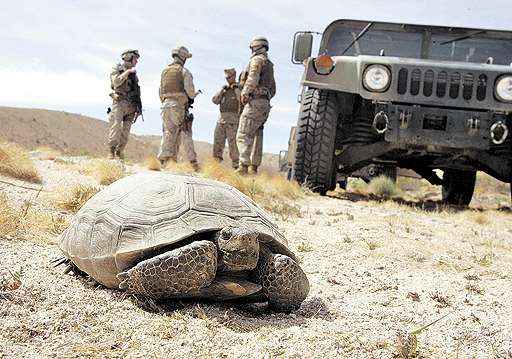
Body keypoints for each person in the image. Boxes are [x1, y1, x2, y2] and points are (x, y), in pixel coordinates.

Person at [236, 37, 276, 175]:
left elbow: (252, 78)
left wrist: (246, 93)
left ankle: (243, 166)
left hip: (255, 102)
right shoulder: (270, 64)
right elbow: (274, 88)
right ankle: (254, 168)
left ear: (255, 47)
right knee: (258, 135)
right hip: (265, 104)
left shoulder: (257, 60)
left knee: (244, 133)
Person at [157, 46, 201, 170]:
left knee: (168, 132)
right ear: (183, 57)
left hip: (165, 105)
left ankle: (166, 160)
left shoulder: (165, 71)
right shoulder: (184, 72)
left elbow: (160, 91)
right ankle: (193, 162)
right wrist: (193, 95)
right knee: (185, 131)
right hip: (178, 106)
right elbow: (190, 92)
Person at [107, 49, 142, 159]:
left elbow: (137, 91)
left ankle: (119, 152)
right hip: (120, 102)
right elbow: (116, 82)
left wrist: (139, 108)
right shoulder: (117, 69)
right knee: (116, 127)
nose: (137, 62)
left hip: (131, 106)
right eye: (135, 59)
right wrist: (127, 72)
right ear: (129, 57)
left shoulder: (134, 75)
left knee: (126, 132)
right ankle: (111, 151)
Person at [211, 68, 241, 169]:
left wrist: (236, 89)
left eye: (230, 77)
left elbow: (242, 100)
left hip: (233, 120)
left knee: (233, 145)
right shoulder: (224, 89)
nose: (228, 79)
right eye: (226, 78)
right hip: (221, 119)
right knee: (217, 142)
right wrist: (222, 91)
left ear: (234, 76)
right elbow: (214, 100)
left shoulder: (239, 88)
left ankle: (236, 166)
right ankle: (215, 165)